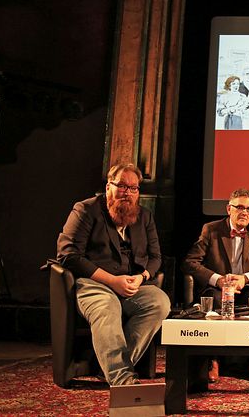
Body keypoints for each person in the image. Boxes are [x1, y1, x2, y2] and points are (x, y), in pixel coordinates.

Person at [56, 163, 170, 386]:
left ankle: (107, 366)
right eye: (122, 186)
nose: (127, 193)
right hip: (94, 283)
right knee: (108, 307)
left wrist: (142, 277)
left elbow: (156, 257)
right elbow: (68, 254)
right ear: (109, 186)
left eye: (133, 188)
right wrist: (111, 281)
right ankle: (122, 379)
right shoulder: (86, 210)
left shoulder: (144, 216)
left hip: (131, 284)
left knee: (159, 302)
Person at [182, 188, 249, 382]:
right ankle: (213, 360)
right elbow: (190, 262)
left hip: (245, 289)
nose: (244, 213)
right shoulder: (211, 230)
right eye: (240, 207)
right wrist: (217, 279)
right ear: (229, 209)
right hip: (218, 289)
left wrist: (245, 278)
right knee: (216, 299)